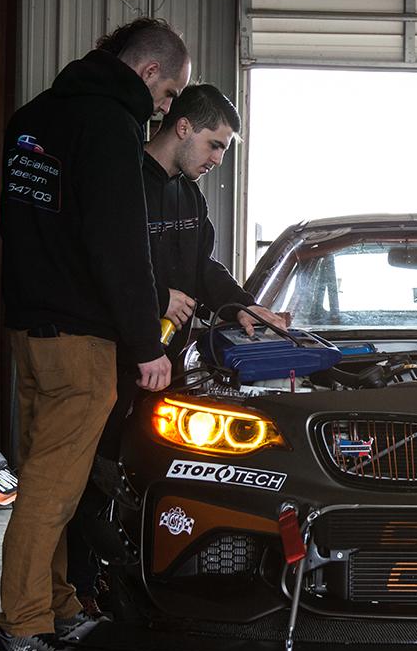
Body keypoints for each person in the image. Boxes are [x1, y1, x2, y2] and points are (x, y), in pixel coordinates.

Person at [0, 18, 191, 651]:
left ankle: (55, 605)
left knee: (48, 477)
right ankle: (23, 628)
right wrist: (145, 344)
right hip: (77, 337)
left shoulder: (33, 117)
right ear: (149, 73)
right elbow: (118, 246)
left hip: (29, 327)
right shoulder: (107, 125)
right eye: (167, 97)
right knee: (53, 489)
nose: (163, 111)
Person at [64, 85, 288, 616]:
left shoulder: (188, 195)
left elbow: (202, 268)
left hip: (166, 367)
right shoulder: (121, 183)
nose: (217, 159)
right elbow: (98, 264)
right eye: (215, 145)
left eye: (224, 150)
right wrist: (157, 299)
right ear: (183, 127)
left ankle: (134, 582)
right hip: (112, 358)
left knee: (139, 476)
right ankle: (77, 592)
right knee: (85, 479)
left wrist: (240, 307)